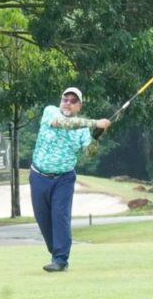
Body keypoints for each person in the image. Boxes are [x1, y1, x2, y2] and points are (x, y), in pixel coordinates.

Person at [29, 87, 111, 272]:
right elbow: (63, 123)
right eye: (65, 99)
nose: (67, 103)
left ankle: (60, 260)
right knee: (43, 219)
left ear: (79, 106)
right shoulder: (50, 112)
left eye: (73, 101)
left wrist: (96, 135)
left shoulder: (82, 131)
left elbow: (90, 152)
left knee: (60, 216)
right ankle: (56, 251)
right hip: (39, 175)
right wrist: (96, 122)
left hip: (64, 178)